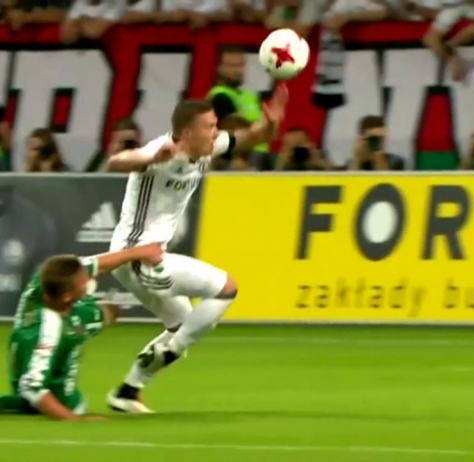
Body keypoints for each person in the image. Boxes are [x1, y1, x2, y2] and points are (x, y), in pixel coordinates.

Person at [105, 85, 288, 413]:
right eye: (210, 126)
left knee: (185, 325)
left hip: (146, 258)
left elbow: (252, 137)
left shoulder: (208, 147)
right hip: (137, 256)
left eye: (216, 125)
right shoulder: (162, 150)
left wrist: (272, 123)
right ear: (188, 133)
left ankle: (127, 391)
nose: (216, 132)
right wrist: (149, 158)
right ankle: (171, 351)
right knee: (225, 289)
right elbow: (117, 162)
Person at [0, 242, 164, 421]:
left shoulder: (45, 279)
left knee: (110, 310)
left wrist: (140, 252)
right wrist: (74, 419)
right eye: (83, 283)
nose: (88, 281)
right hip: (62, 401)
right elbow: (31, 388)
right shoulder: (47, 329)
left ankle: (80, 331)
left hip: (70, 318)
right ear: (67, 296)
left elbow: (97, 264)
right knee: (84, 326)